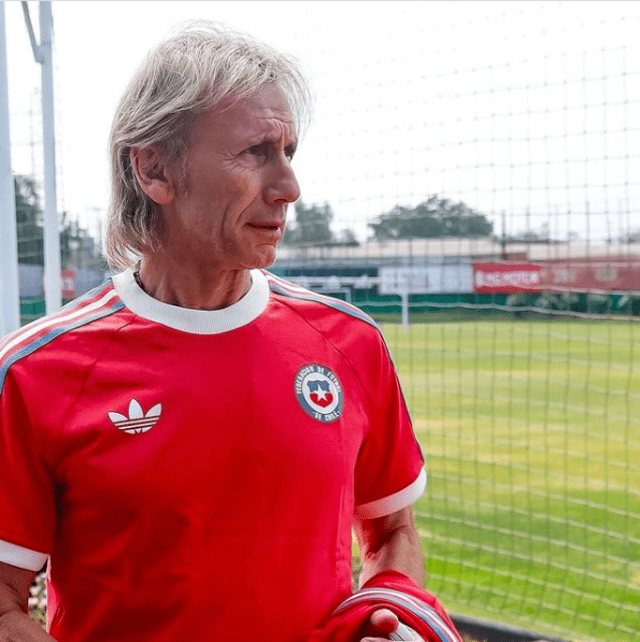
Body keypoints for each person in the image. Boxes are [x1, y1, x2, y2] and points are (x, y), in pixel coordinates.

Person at [0, 23, 428, 642]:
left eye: (290, 152)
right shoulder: (36, 371)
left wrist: (393, 616)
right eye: (255, 152)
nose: (289, 187)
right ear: (154, 170)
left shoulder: (350, 343)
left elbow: (393, 533)